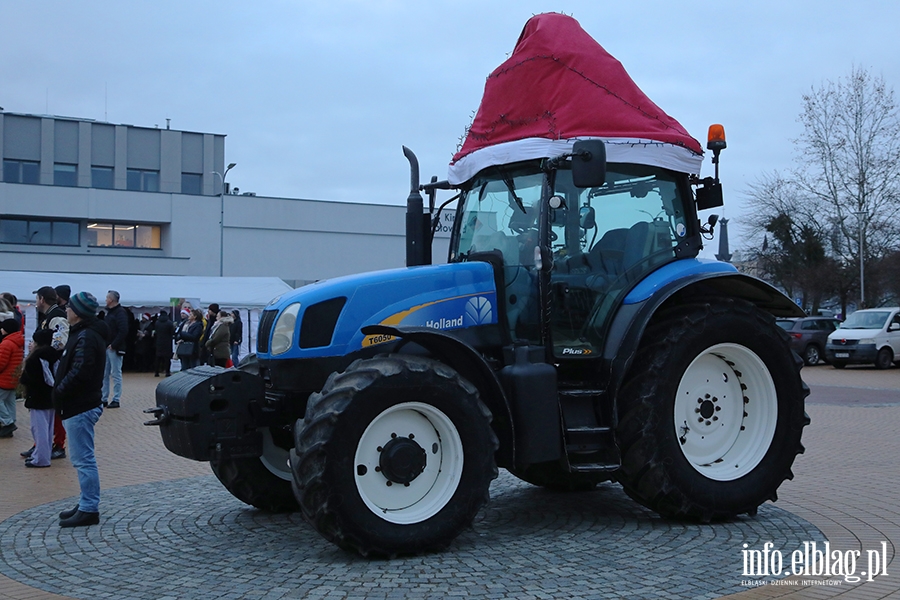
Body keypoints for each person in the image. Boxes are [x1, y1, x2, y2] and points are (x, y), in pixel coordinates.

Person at [53, 291, 108, 528]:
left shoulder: (86, 336)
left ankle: (89, 508)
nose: (66, 310)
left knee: (83, 459)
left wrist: (59, 391)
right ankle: (86, 502)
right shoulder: (84, 334)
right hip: (79, 404)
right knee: (82, 459)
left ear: (77, 313)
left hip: (80, 405)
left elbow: (81, 371)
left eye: (69, 308)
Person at [35, 286, 70, 459]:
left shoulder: (56, 316)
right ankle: (42, 443)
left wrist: (42, 350)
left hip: (53, 368)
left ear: (42, 299)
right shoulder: (49, 316)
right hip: (47, 367)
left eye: (37, 298)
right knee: (45, 406)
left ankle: (58, 443)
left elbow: (60, 341)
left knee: (54, 407)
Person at [20, 329, 58, 467]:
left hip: (38, 397)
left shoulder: (36, 358)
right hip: (50, 396)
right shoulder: (55, 355)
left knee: (39, 428)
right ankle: (44, 455)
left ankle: (41, 458)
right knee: (48, 429)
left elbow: (30, 378)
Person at [101, 290, 128, 408]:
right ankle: (104, 398)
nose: (106, 300)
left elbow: (123, 330)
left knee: (116, 373)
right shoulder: (110, 313)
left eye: (107, 298)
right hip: (107, 346)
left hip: (114, 348)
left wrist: (114, 344)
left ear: (111, 300)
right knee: (104, 374)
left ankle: (116, 398)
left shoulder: (120, 313)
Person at [0, 319, 25, 438]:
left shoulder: (6, 343)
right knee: (10, 401)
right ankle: (11, 422)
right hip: (13, 378)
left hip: (3, 378)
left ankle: (7, 422)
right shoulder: (18, 342)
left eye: (2, 328)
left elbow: (1, 362)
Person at [153, 311, 175, 377]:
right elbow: (172, 333)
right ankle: (167, 372)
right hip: (167, 342)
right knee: (167, 358)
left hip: (159, 341)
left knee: (158, 358)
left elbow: (155, 332)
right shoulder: (170, 323)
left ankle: (156, 372)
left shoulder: (157, 323)